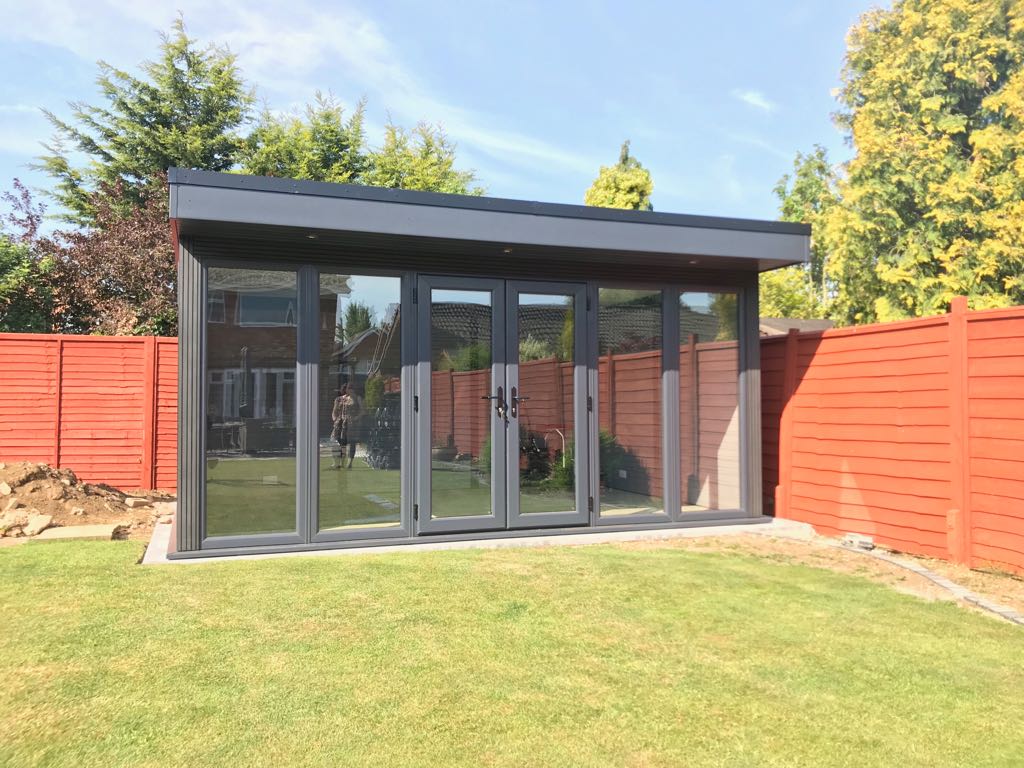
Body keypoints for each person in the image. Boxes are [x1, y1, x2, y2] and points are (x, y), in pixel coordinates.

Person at [331, 383, 362, 469]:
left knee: (351, 443)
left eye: (351, 388)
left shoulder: (356, 398)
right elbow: (334, 411)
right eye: (348, 388)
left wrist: (356, 418)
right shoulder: (340, 399)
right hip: (340, 423)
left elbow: (362, 410)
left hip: (351, 424)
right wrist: (335, 419)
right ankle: (337, 462)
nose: (350, 390)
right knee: (336, 442)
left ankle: (348, 463)